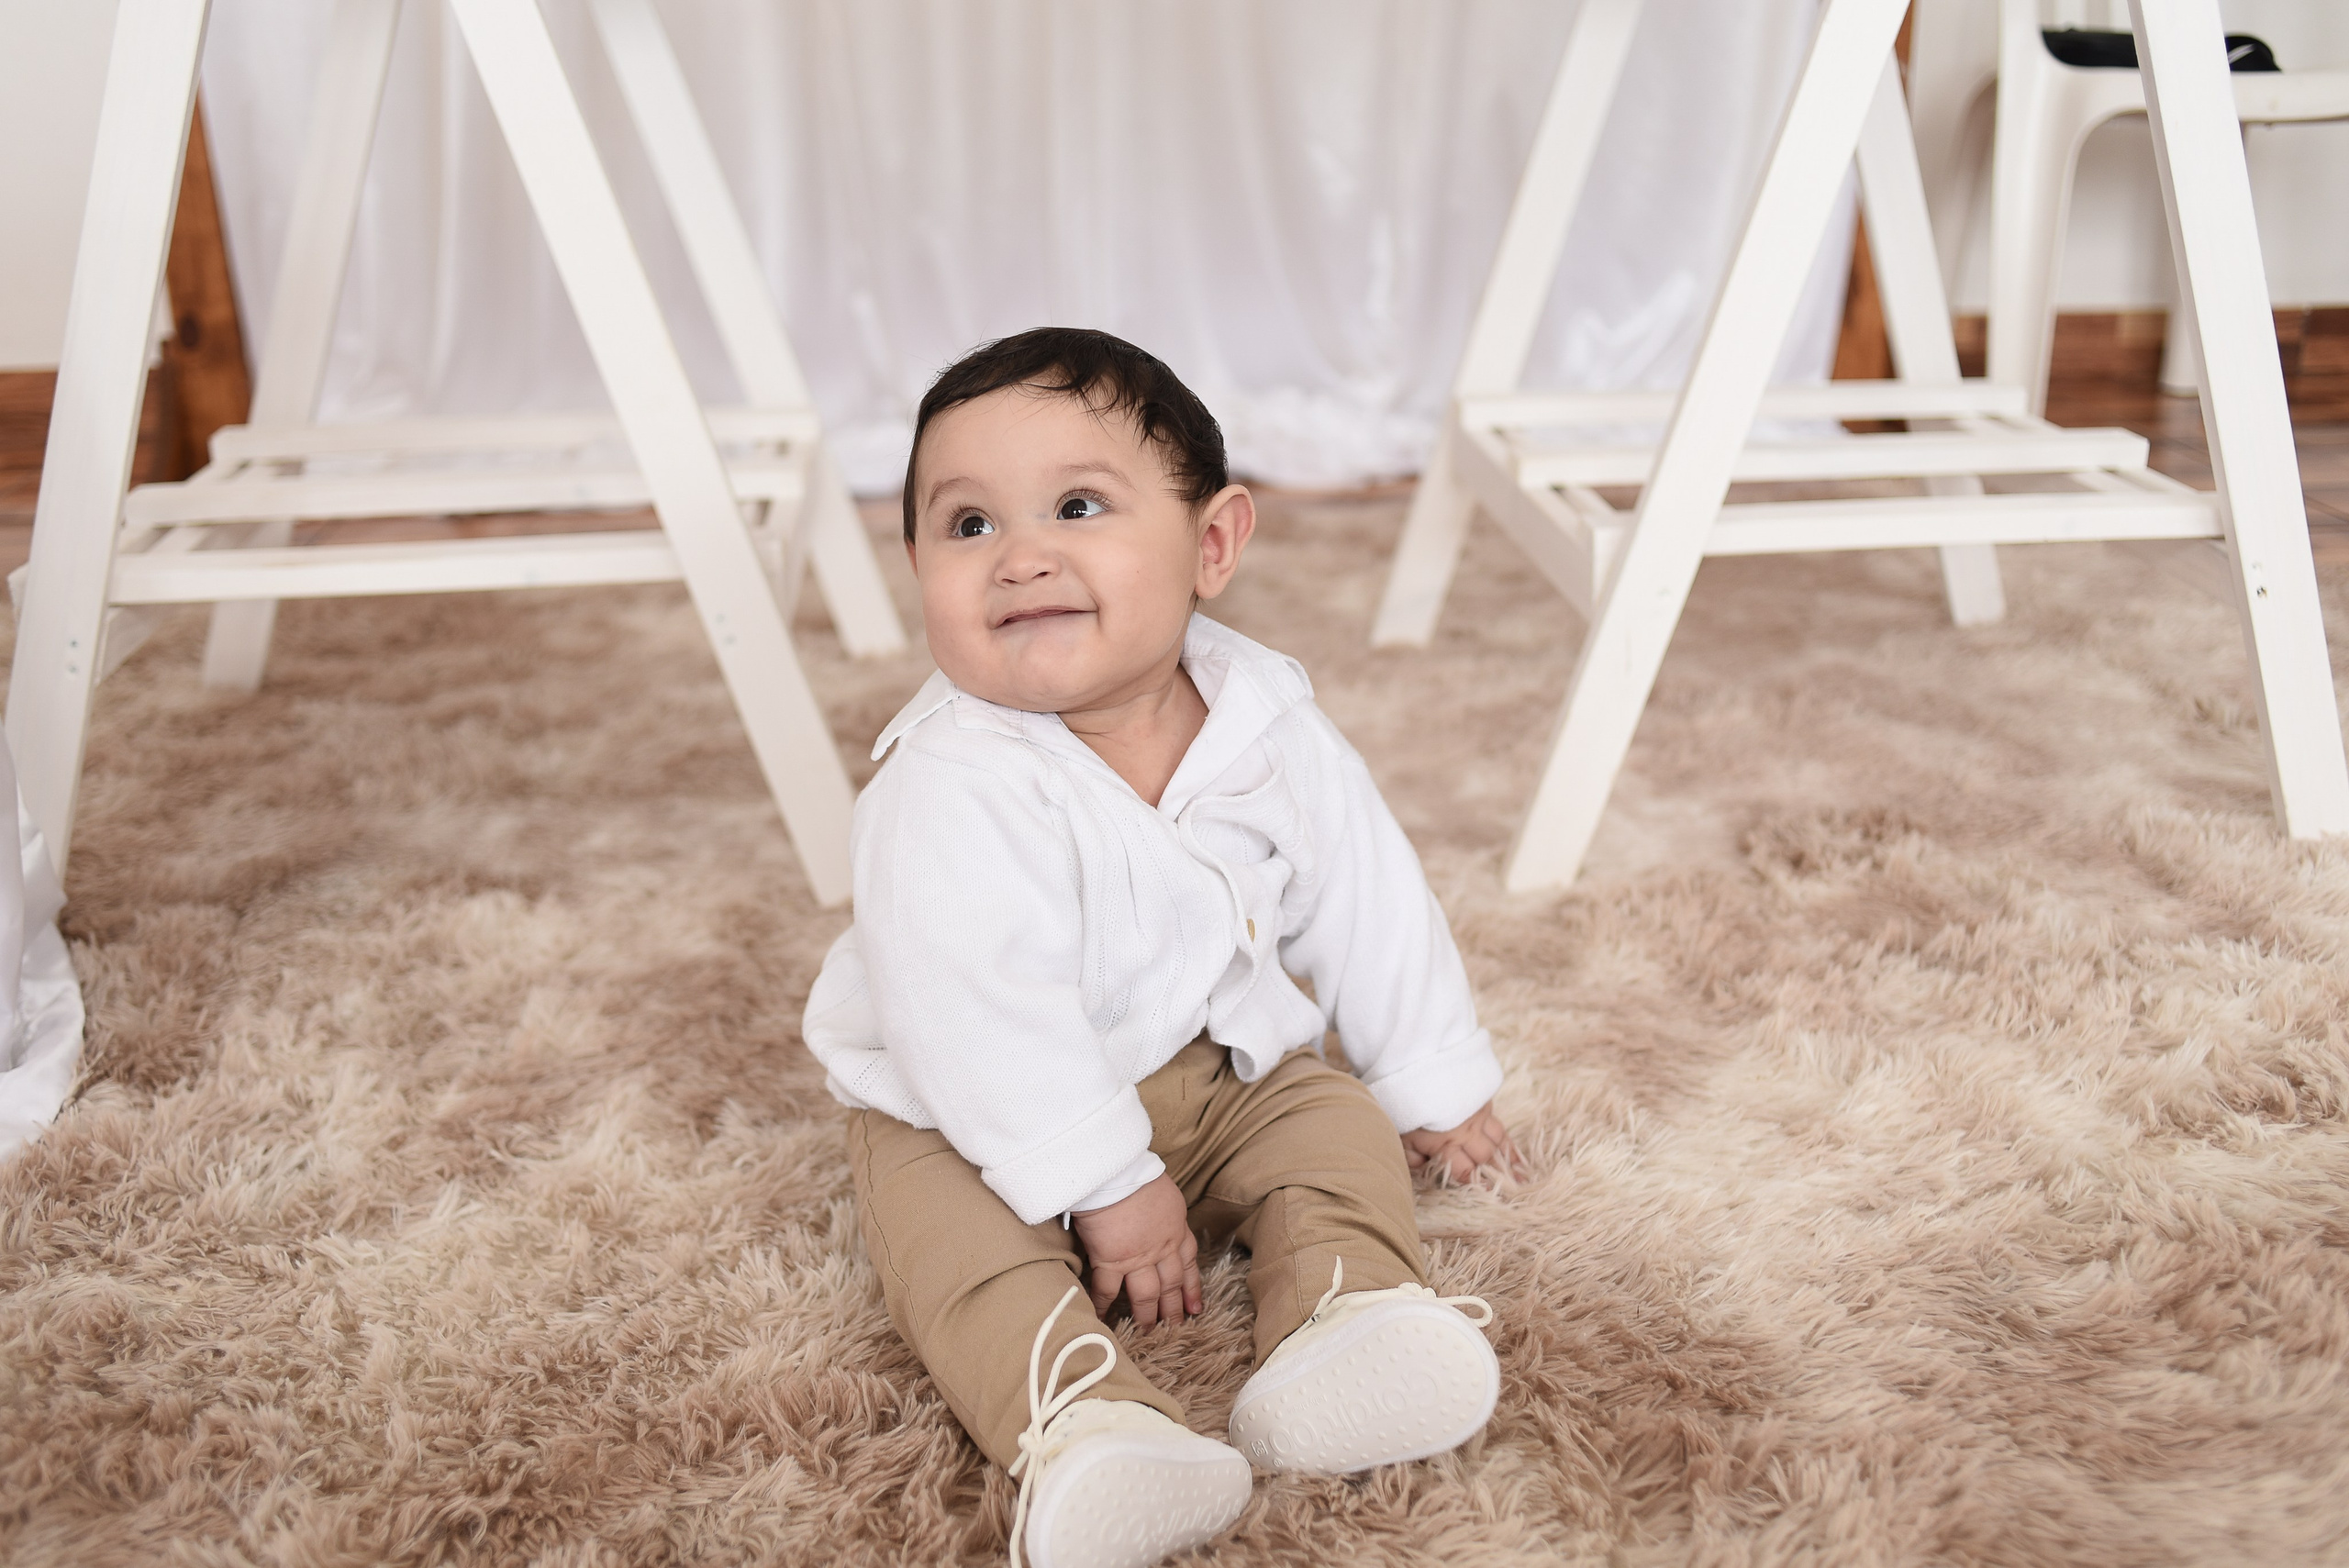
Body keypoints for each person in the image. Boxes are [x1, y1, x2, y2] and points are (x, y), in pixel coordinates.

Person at [803, 327, 1521, 1568]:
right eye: (967, 526)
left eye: (1077, 506)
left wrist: (1435, 1080)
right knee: (951, 1248)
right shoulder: (949, 782)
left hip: (1211, 1063)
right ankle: (1084, 1422)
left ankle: (1347, 1315)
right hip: (967, 1105)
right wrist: (1109, 1188)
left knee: (1333, 1123)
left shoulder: (1266, 722)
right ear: (917, 563)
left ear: (1213, 545)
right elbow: (974, 1013)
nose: (1020, 555)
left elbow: (1366, 891)